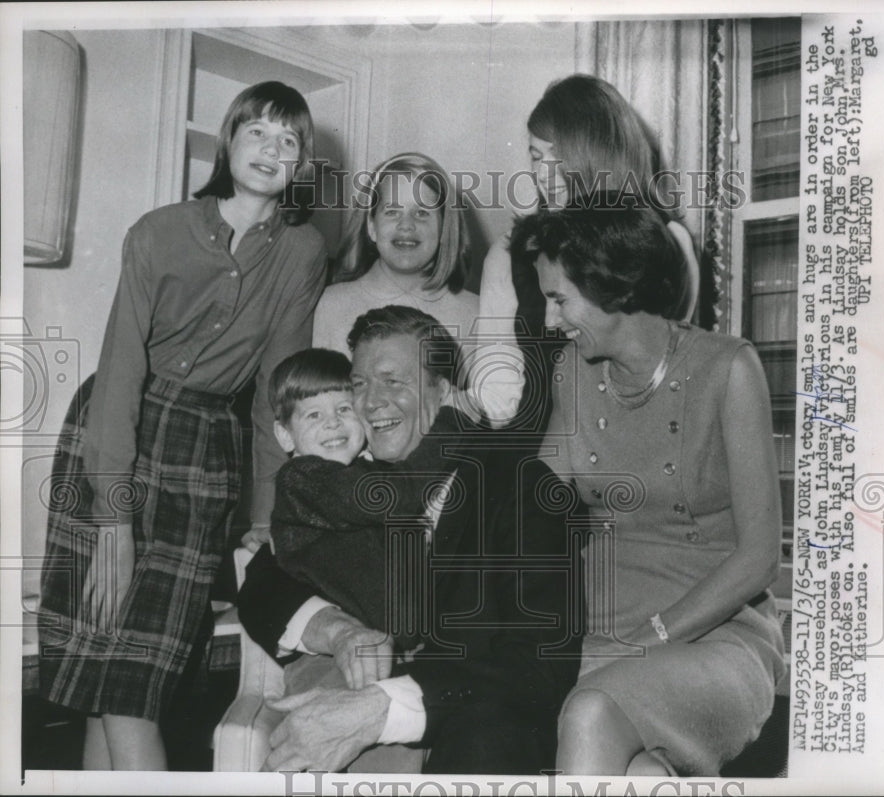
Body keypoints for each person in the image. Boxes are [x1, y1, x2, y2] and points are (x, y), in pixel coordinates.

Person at [37, 81, 328, 770]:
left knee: (133, 679)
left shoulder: (302, 252)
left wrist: (266, 516)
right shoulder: (159, 231)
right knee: (105, 673)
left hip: (203, 453)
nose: (271, 148)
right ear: (228, 141)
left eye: (289, 140)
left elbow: (272, 394)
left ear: (300, 165)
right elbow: (119, 371)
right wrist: (114, 514)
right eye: (257, 130)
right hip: (114, 433)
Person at [237, 305, 583, 775]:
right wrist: (339, 630)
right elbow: (264, 581)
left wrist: (383, 709)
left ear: (443, 391)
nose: (371, 402)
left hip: (469, 738)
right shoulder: (349, 479)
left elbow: (539, 666)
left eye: (392, 381)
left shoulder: (519, 487)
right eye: (359, 385)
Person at [509, 197, 786, 777]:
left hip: (716, 636)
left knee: (589, 712)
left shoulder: (728, 370)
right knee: (641, 777)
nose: (549, 320)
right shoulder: (572, 372)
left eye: (559, 299)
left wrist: (646, 640)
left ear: (612, 285)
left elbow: (759, 558)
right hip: (598, 629)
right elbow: (532, 511)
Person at [478, 73, 701, 429]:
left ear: (602, 154)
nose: (545, 174)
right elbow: (497, 395)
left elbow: (677, 375)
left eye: (561, 157)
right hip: (538, 457)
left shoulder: (670, 243)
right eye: (537, 157)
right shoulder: (507, 256)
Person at [311, 151, 522, 426]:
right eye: (392, 211)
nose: (406, 225)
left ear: (445, 228)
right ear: (371, 227)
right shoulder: (332, 303)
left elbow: (481, 417)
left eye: (422, 212)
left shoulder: (475, 312)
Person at [265, 347, 425, 648]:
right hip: (335, 655)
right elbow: (397, 499)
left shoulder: (364, 470)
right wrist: (452, 424)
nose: (333, 423)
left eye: (344, 409)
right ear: (285, 435)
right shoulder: (301, 478)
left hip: (396, 645)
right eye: (314, 414)